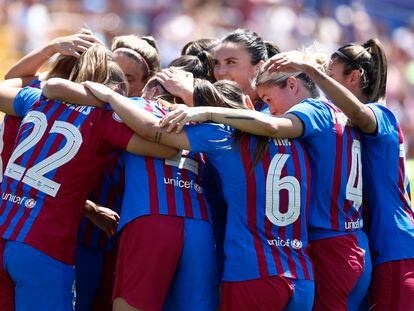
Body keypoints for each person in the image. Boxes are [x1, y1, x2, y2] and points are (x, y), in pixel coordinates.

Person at [159, 49, 372, 310]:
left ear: (292, 84)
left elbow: (269, 126)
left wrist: (206, 112)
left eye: (269, 100)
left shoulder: (310, 111)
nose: (269, 110)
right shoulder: (339, 113)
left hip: (325, 246)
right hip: (348, 243)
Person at [78, 78, 315, 311]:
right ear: (249, 103)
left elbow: (153, 131)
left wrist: (111, 96)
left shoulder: (220, 133)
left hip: (251, 272)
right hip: (301, 276)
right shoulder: (298, 139)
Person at [0, 44, 176, 311]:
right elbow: (167, 147)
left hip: (5, 227)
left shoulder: (35, 99)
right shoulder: (103, 121)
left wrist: (53, 48)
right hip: (45, 243)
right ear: (113, 91)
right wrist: (113, 104)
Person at [263, 39, 414, 311]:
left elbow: (357, 110)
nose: (322, 86)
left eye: (329, 76)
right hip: (369, 244)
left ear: (353, 77)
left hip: (392, 247)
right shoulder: (344, 124)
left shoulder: (379, 115)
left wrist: (309, 69)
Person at [157, 28, 280, 111]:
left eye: (231, 62)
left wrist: (188, 94)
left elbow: (236, 136)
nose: (221, 72)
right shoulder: (216, 99)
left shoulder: (274, 105)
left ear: (258, 67)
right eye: (216, 63)